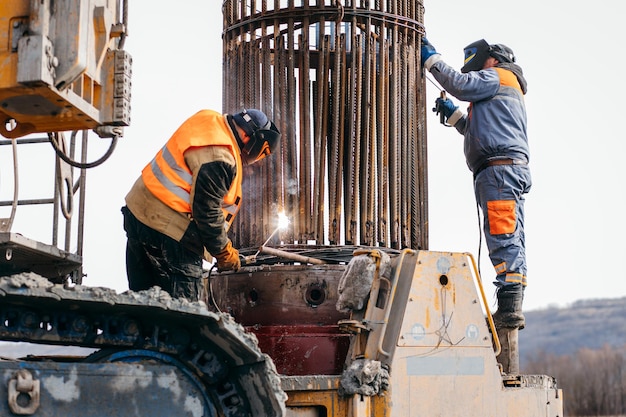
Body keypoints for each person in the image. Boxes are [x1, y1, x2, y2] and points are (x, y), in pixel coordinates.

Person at [421, 38, 530, 374]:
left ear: (492, 59)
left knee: (502, 231)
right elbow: (478, 129)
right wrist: (455, 117)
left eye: (479, 64)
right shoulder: (499, 90)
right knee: (505, 229)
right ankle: (508, 301)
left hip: (499, 170)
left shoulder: (500, 76)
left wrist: (431, 59)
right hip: (499, 168)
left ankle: (510, 307)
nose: (478, 71)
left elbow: (460, 84)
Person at [121, 108, 280, 302]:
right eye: (261, 153)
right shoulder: (222, 157)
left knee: (142, 302)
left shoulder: (208, 119)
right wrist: (224, 253)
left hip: (138, 213)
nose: (255, 161)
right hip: (171, 234)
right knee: (185, 313)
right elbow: (207, 212)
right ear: (250, 139)